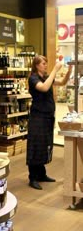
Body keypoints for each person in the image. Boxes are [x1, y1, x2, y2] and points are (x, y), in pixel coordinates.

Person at [26, 55, 72, 190]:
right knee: (36, 145)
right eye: (43, 63)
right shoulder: (33, 78)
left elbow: (62, 82)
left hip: (47, 116)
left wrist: (69, 70)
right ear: (36, 65)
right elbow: (44, 88)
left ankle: (41, 174)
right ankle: (32, 177)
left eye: (46, 63)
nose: (46, 65)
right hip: (37, 117)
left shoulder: (46, 77)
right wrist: (54, 70)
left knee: (44, 144)